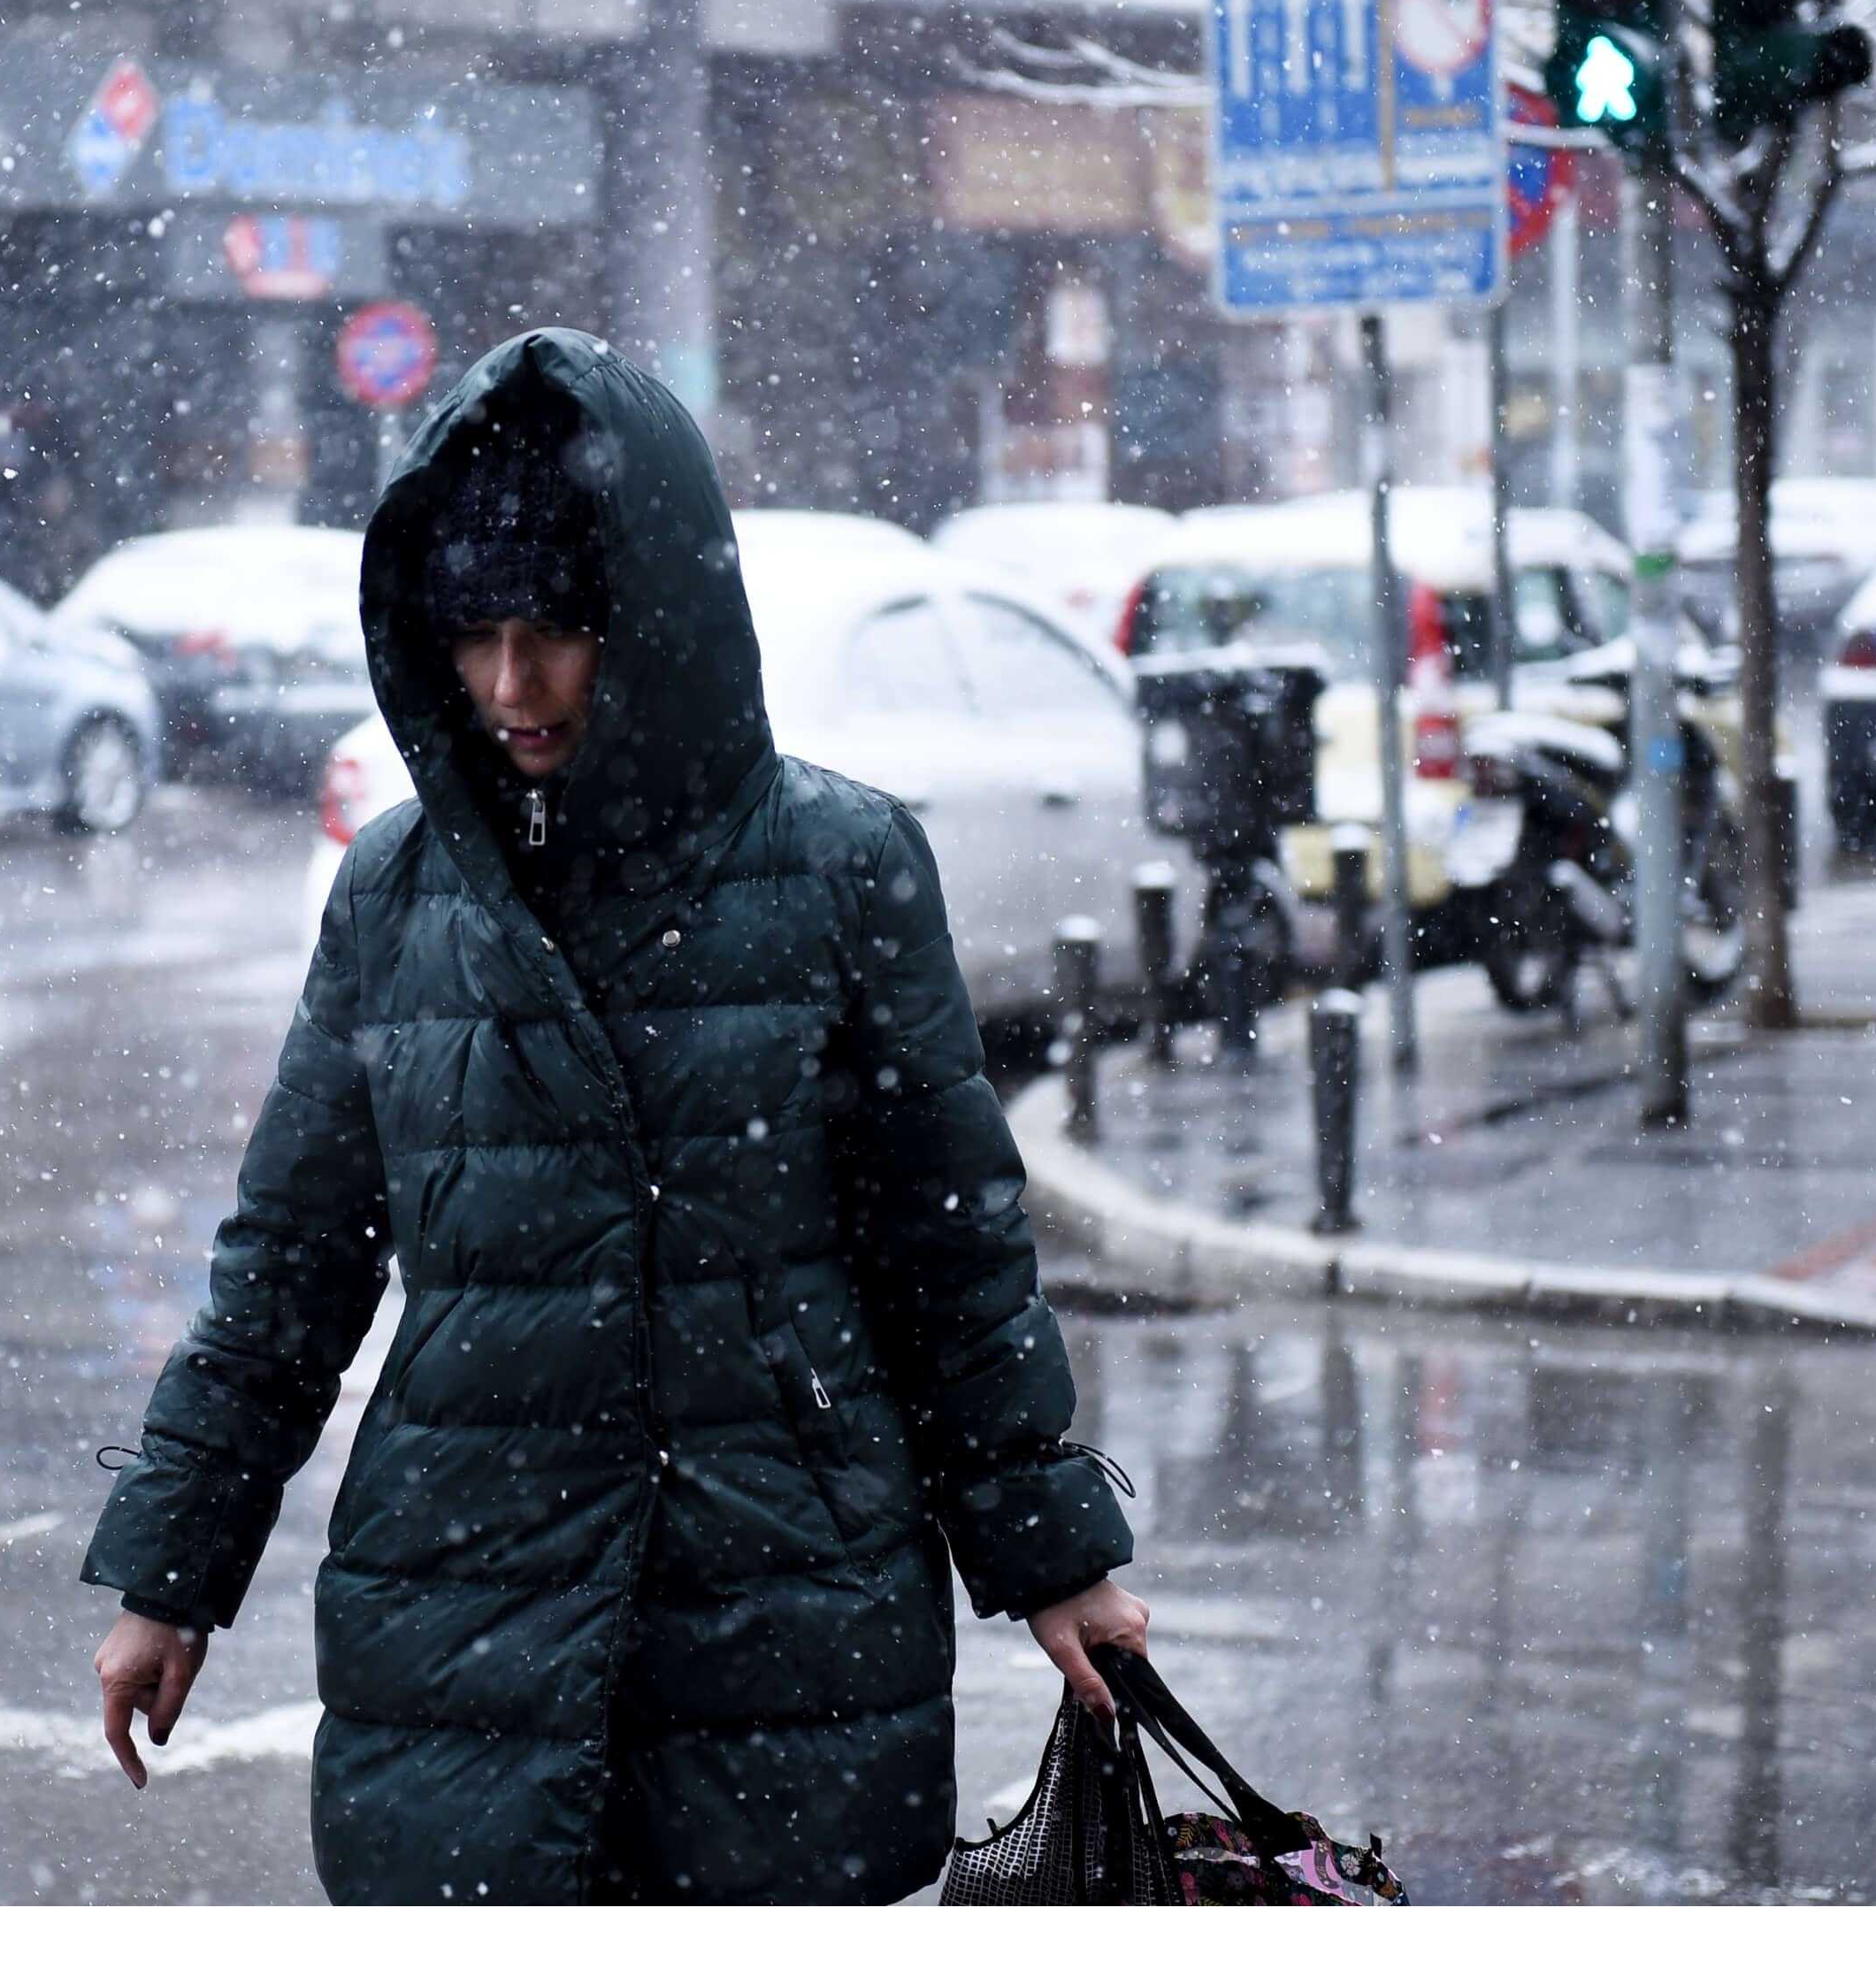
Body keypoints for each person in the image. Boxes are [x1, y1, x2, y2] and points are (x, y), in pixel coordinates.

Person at [80, 328, 1150, 1903]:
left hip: (782, 1592)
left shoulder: (843, 870)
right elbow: (290, 1268)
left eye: (560, 632)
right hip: (464, 1591)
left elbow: (950, 1253)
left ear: (655, 624)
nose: (513, 684)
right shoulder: (394, 893)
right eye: (476, 633)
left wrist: (1054, 1550)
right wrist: (172, 1571)